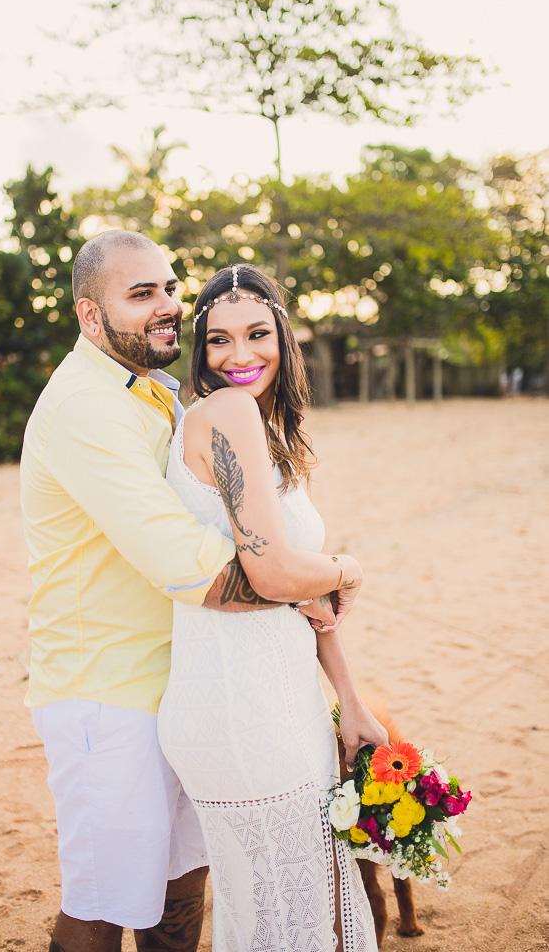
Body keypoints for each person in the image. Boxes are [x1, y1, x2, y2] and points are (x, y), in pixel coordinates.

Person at [20, 231, 348, 952]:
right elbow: (195, 567)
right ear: (89, 315)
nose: (167, 305)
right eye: (141, 294)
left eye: (170, 287)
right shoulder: (85, 407)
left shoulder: (157, 391)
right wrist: (323, 574)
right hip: (107, 692)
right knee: (103, 904)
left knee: (182, 883)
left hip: (184, 685)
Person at [158, 264, 387, 952]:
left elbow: (303, 600)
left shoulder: (265, 433)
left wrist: (350, 700)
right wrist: (348, 567)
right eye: (218, 341)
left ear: (283, 339)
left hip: (281, 705)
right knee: (292, 926)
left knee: (293, 918)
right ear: (199, 350)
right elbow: (277, 571)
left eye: (257, 334)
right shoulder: (223, 414)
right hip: (241, 713)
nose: (239, 356)